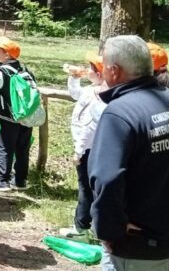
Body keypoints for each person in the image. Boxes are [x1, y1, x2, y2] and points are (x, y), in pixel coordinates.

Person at [90, 35, 169, 271]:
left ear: (114, 70)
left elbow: (106, 179)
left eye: (104, 64)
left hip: (140, 251)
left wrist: (110, 230)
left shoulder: (119, 113)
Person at [59, 53, 107, 240]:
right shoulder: (92, 90)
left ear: (100, 73)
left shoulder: (99, 96)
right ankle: (94, 227)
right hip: (89, 147)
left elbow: (89, 128)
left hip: (89, 149)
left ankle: (81, 227)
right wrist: (73, 78)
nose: (88, 70)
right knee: (92, 188)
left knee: (86, 188)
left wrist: (79, 151)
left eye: (92, 68)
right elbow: (75, 93)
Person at [0, 36, 35, 191]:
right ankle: (20, 181)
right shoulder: (25, 70)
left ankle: (3, 180)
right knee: (22, 149)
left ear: (6, 54)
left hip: (7, 116)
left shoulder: (0, 72)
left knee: (5, 147)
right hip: (26, 116)